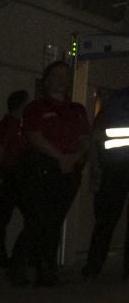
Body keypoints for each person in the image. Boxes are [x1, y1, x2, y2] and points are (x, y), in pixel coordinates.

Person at [11, 60, 90, 288]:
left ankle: (47, 269)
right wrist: (60, 157)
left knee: (54, 220)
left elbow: (85, 139)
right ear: (46, 80)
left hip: (69, 168)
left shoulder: (77, 109)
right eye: (56, 75)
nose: (62, 79)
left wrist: (73, 158)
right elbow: (35, 137)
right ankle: (20, 266)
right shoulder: (37, 108)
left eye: (66, 75)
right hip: (41, 167)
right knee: (37, 218)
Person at [81, 85, 128, 279]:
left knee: (105, 220)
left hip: (112, 166)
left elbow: (96, 136)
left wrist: (96, 166)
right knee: (106, 220)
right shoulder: (116, 100)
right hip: (114, 167)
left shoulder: (114, 101)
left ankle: (93, 266)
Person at [0, 88, 29, 267]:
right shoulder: (8, 126)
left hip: (15, 175)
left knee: (4, 217)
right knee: (3, 217)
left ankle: (4, 257)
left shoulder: (17, 126)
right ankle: (2, 257)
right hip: (10, 175)